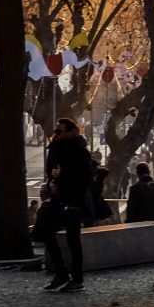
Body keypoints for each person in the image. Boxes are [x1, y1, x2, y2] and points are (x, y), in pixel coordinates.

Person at [40, 118, 94, 293]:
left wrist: (62, 176)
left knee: (73, 239)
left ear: (72, 131)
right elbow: (51, 172)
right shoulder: (55, 148)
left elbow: (84, 175)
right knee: (46, 231)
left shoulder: (78, 149)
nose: (56, 134)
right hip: (59, 198)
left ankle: (77, 279)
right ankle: (62, 273)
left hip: (73, 200)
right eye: (56, 131)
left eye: (60, 131)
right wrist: (51, 183)